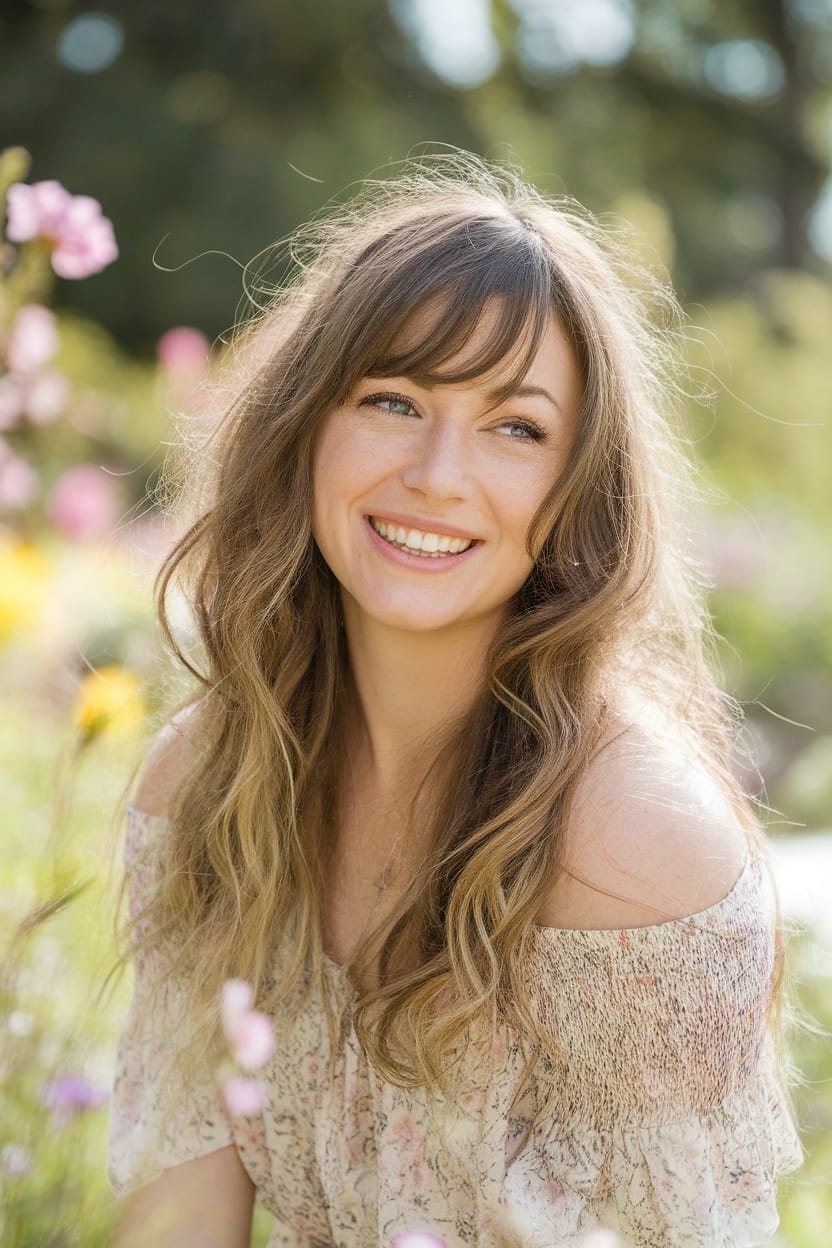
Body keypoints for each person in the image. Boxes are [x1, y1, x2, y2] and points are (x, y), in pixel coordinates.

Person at [106, 151, 804, 1247]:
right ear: (304, 426)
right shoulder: (207, 782)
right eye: (393, 400)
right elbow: (178, 1216)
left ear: (580, 492)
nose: (438, 474)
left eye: (515, 427)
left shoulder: (634, 847)